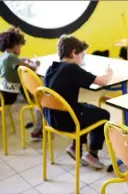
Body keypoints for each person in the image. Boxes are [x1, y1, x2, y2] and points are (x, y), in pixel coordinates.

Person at [43, 34, 113, 169]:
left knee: (85, 108)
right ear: (73, 52)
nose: (82, 59)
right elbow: (103, 81)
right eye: (82, 55)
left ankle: (76, 147)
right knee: (103, 115)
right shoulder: (72, 68)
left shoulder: (52, 68)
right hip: (67, 120)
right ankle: (92, 153)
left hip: (51, 117)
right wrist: (109, 72)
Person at [0, 26, 43, 140]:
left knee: (34, 95)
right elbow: (33, 69)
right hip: (10, 96)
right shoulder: (12, 58)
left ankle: (37, 123)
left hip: (0, 94)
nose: (20, 49)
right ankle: (38, 130)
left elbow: (14, 62)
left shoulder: (2, 57)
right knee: (41, 99)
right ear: (15, 45)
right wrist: (36, 63)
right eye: (20, 46)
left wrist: (22, 60)